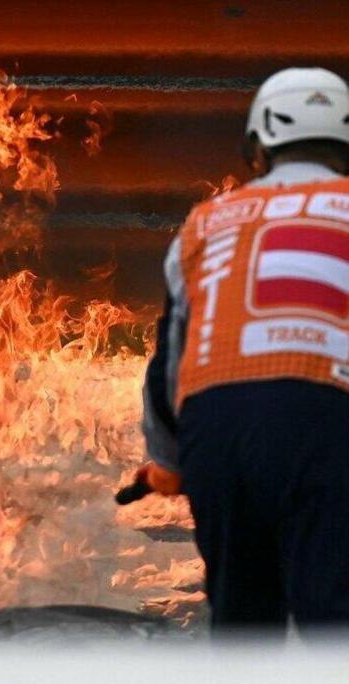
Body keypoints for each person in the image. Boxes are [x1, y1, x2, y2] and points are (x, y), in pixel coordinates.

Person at [141, 67, 349, 634]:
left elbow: (170, 359)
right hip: (325, 420)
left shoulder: (207, 220)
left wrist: (168, 460)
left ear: (257, 147)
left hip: (218, 429)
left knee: (243, 627)